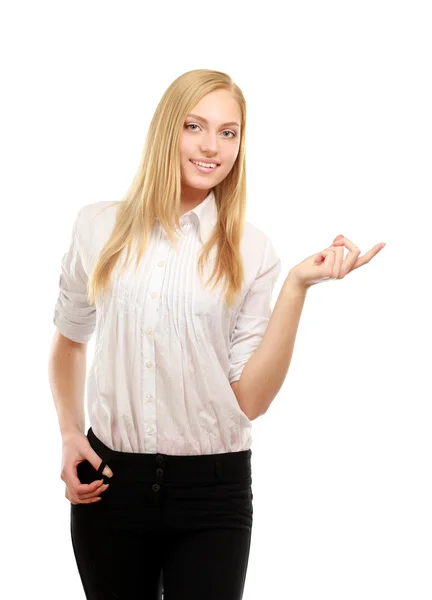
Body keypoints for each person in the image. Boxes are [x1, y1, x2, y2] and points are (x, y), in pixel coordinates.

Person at [48, 68, 386, 600]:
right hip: (110, 484)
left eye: (229, 132)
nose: (212, 146)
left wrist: (298, 286)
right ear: (167, 131)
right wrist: (71, 434)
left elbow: (248, 401)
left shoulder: (254, 252)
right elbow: (69, 339)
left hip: (213, 492)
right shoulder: (96, 226)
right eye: (195, 126)